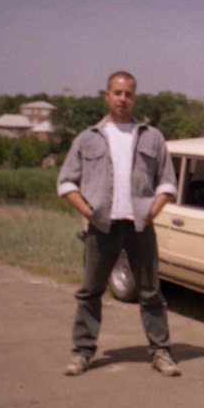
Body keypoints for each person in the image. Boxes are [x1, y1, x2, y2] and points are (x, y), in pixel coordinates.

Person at [56, 71, 180, 377]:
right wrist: (88, 211)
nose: (123, 99)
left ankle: (160, 352)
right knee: (90, 292)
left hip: (140, 227)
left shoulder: (151, 136)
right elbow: (65, 183)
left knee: (151, 292)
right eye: (117, 93)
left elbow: (167, 183)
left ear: (134, 97)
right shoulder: (88, 138)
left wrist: (150, 214)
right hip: (102, 228)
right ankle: (82, 353)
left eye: (129, 94)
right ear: (107, 96)